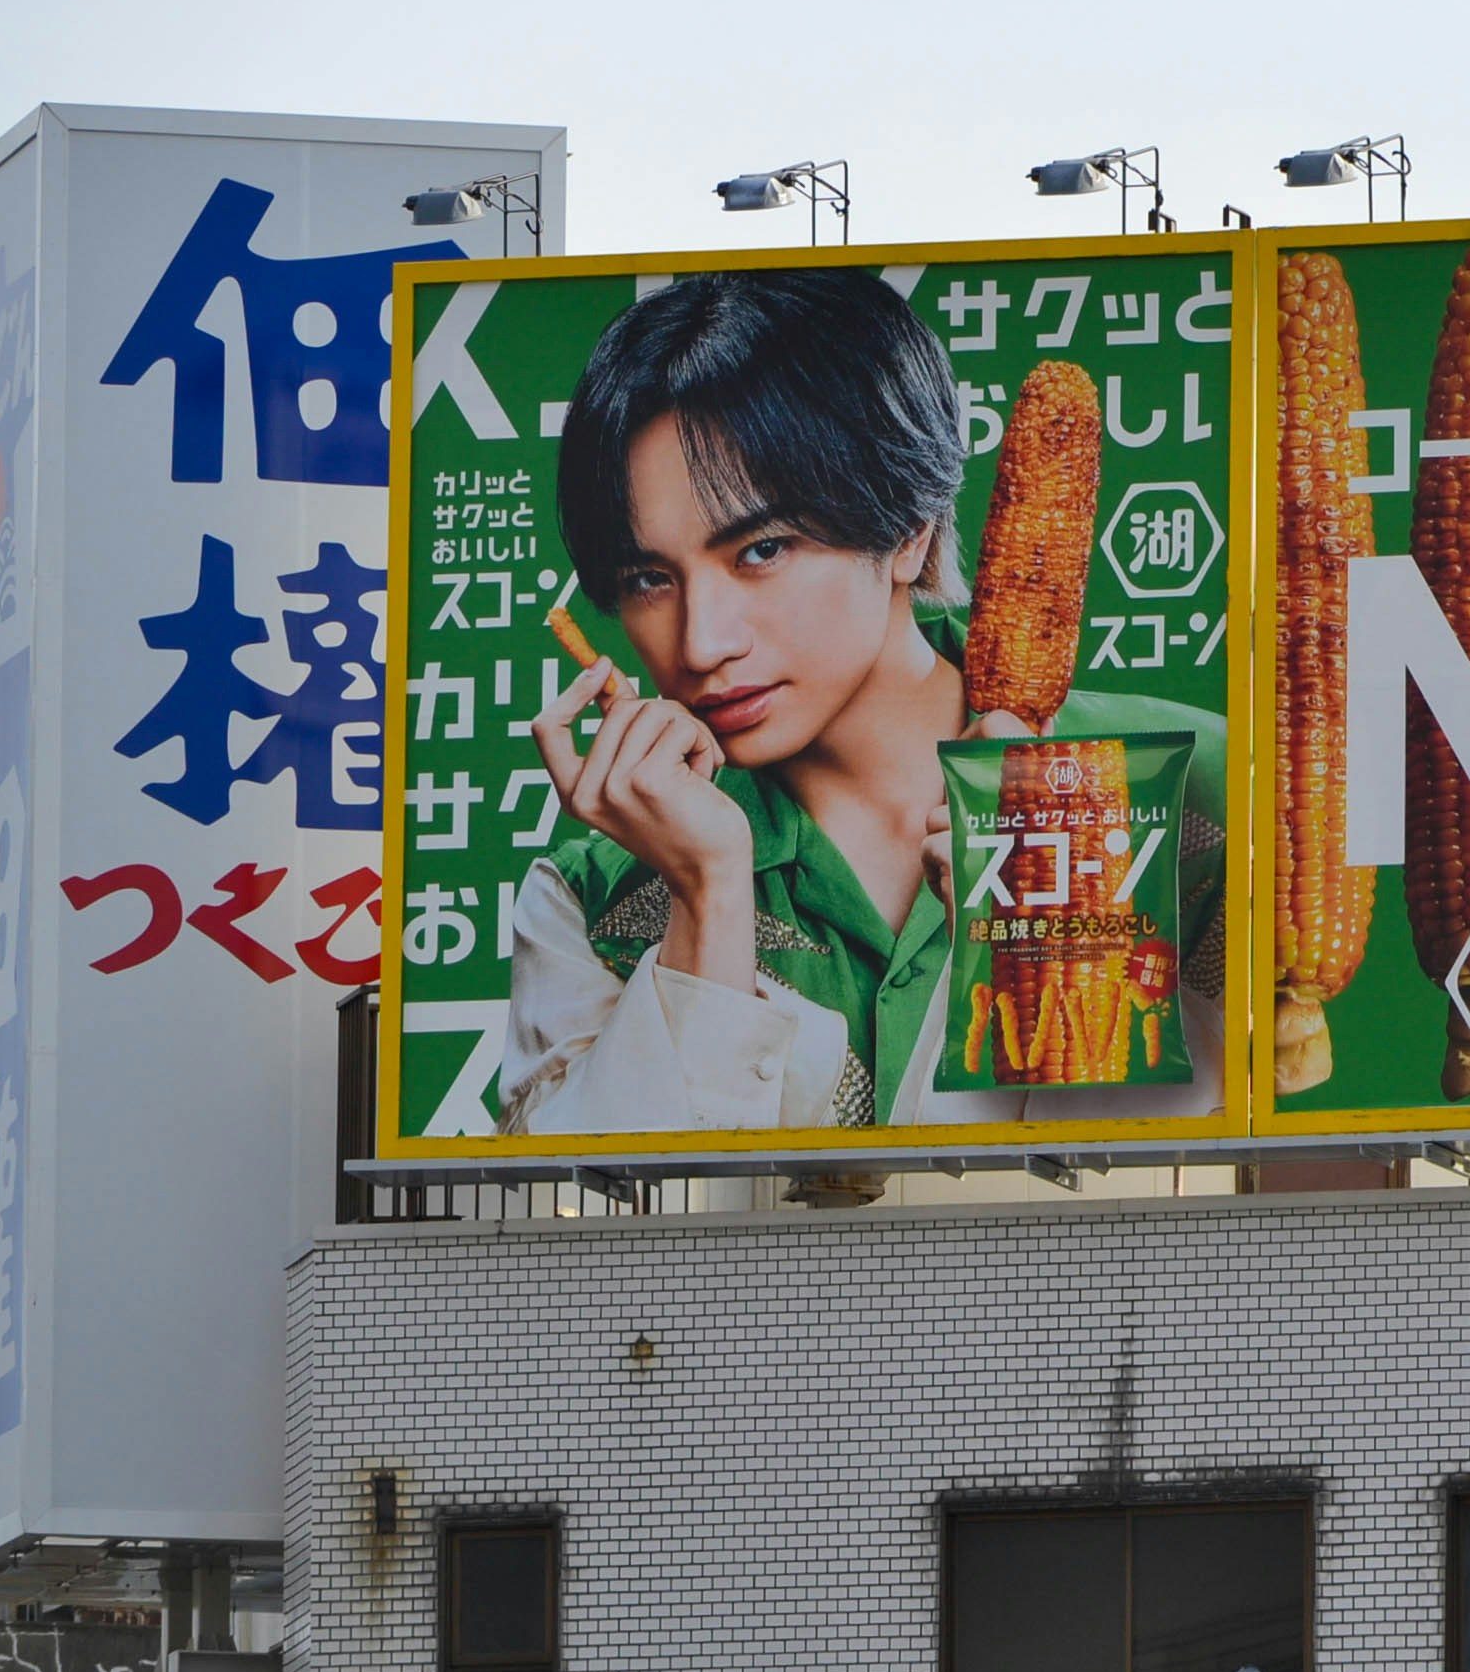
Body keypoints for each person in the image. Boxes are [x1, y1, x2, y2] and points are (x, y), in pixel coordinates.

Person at [497, 267, 1222, 1135]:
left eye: (761, 550)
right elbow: (606, 1238)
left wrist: (1055, 949)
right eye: (649, 578)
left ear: (908, 529)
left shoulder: (1199, 792)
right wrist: (707, 894)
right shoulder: (589, 902)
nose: (700, 644)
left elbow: (1217, 1177)